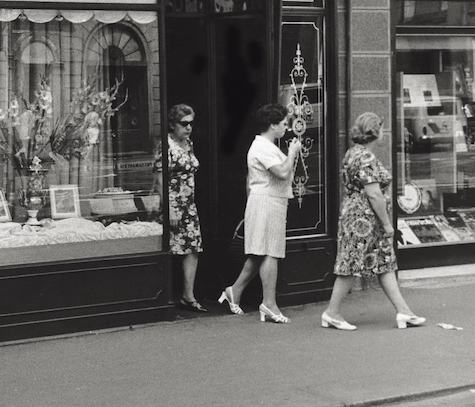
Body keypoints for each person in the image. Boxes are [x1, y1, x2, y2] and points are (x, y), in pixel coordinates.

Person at [321, 112, 425, 331]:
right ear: (376, 133)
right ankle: (332, 312)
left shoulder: (352, 153)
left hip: (356, 215)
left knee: (384, 262)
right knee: (352, 263)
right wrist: (387, 224)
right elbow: (374, 194)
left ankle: (403, 311)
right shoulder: (366, 158)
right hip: (365, 219)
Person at [219, 103, 302, 323]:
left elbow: (250, 180)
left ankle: (233, 292)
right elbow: (283, 173)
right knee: (270, 252)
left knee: (258, 253)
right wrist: (292, 152)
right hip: (268, 202)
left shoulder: (264, 146)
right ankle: (269, 304)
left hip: (265, 201)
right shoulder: (263, 147)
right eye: (284, 124)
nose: (286, 127)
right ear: (273, 125)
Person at [164, 104, 206, 312]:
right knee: (170, 248)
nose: (188, 128)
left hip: (189, 205)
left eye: (191, 123)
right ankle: (164, 296)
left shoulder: (188, 143)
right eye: (184, 124)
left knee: (192, 247)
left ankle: (188, 296)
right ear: (172, 124)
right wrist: (169, 208)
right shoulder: (165, 146)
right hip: (173, 205)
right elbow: (158, 181)